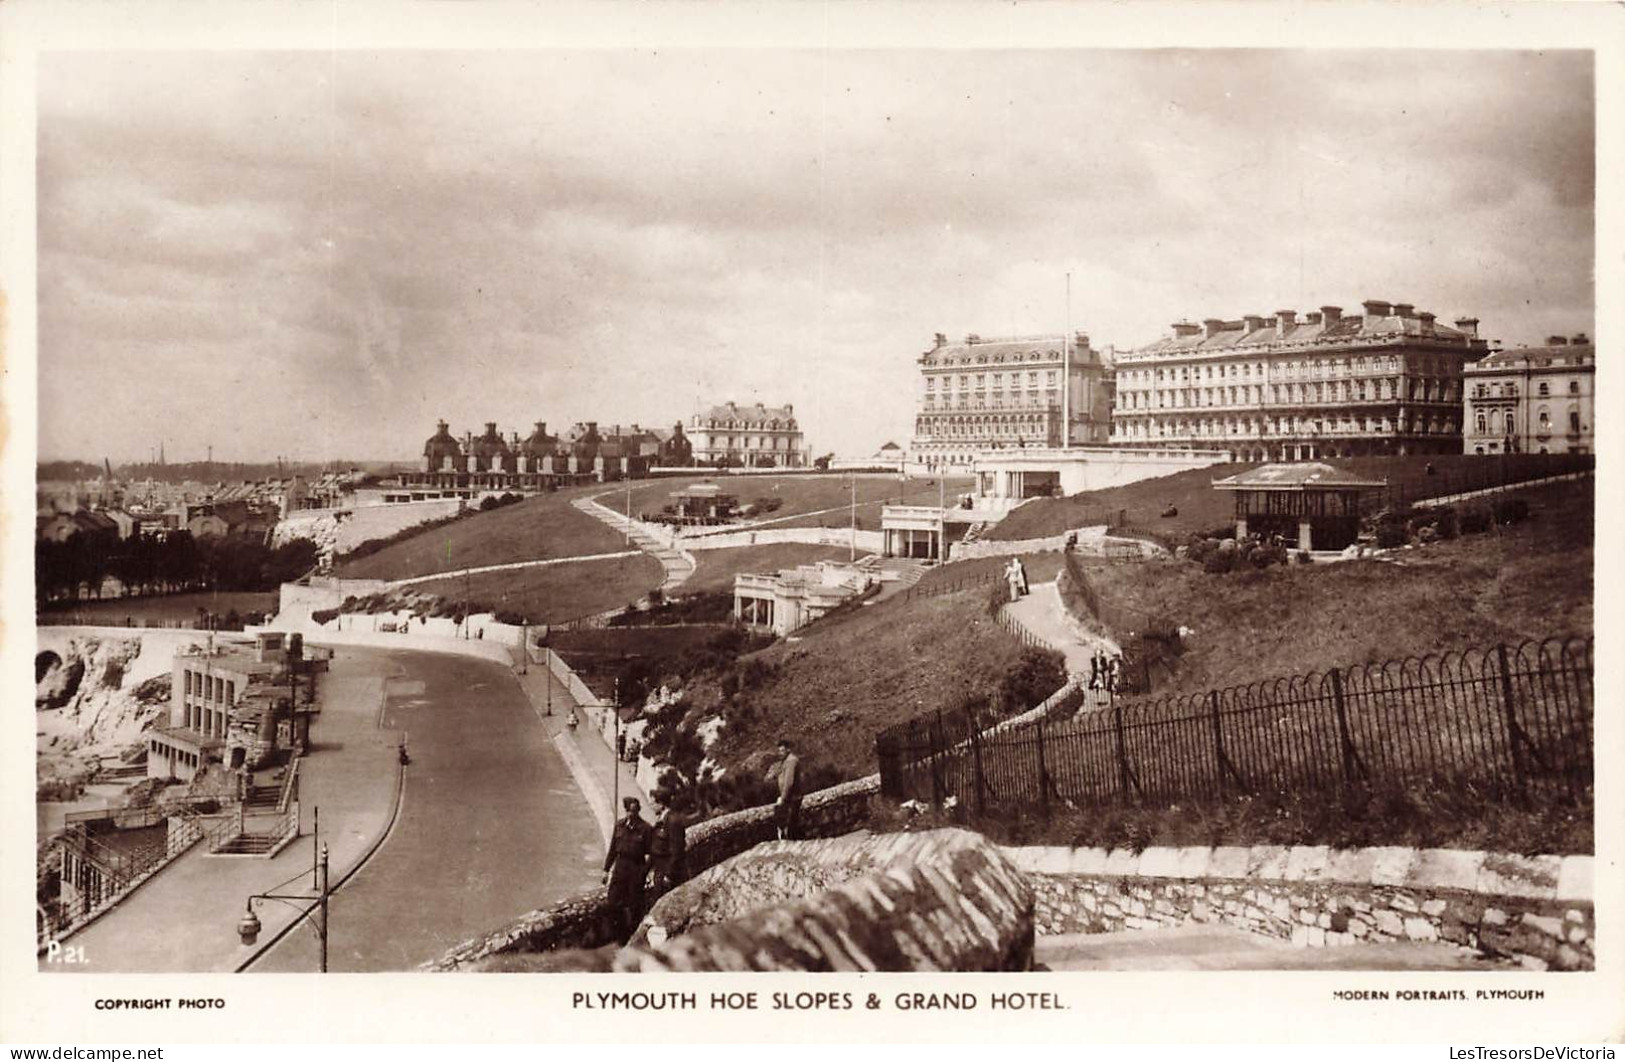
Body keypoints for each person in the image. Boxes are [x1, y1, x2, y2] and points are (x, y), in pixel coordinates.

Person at [602, 796, 652, 942]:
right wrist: (606, 870)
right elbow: (612, 850)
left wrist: (645, 871)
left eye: (635, 811)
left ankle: (630, 939)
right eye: (630, 811)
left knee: (633, 906)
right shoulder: (619, 825)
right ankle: (614, 936)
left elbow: (651, 853)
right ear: (625, 811)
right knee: (612, 903)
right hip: (620, 868)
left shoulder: (646, 829)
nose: (632, 814)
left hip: (636, 869)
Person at [647, 801, 688, 901]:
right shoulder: (662, 819)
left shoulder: (673, 821)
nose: (650, 805)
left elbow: (677, 850)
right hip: (659, 869)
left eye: (653, 803)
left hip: (666, 871)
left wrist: (669, 874)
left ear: (661, 804)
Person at [767, 738, 802, 840]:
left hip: (792, 798)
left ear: (788, 750)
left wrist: (783, 798)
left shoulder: (791, 761)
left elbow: (789, 782)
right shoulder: (785, 762)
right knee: (787, 825)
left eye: (782, 750)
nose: (780, 753)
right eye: (779, 751)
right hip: (789, 798)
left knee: (790, 827)